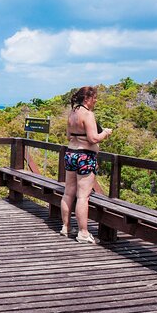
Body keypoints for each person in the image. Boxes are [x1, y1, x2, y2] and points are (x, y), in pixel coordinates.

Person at [60, 86, 112, 244]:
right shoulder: (88, 114)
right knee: (83, 196)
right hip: (85, 156)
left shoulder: (72, 113)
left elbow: (69, 136)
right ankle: (83, 233)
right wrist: (106, 133)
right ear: (87, 98)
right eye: (95, 97)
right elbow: (93, 138)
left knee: (68, 193)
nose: (96, 100)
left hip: (71, 154)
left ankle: (66, 227)